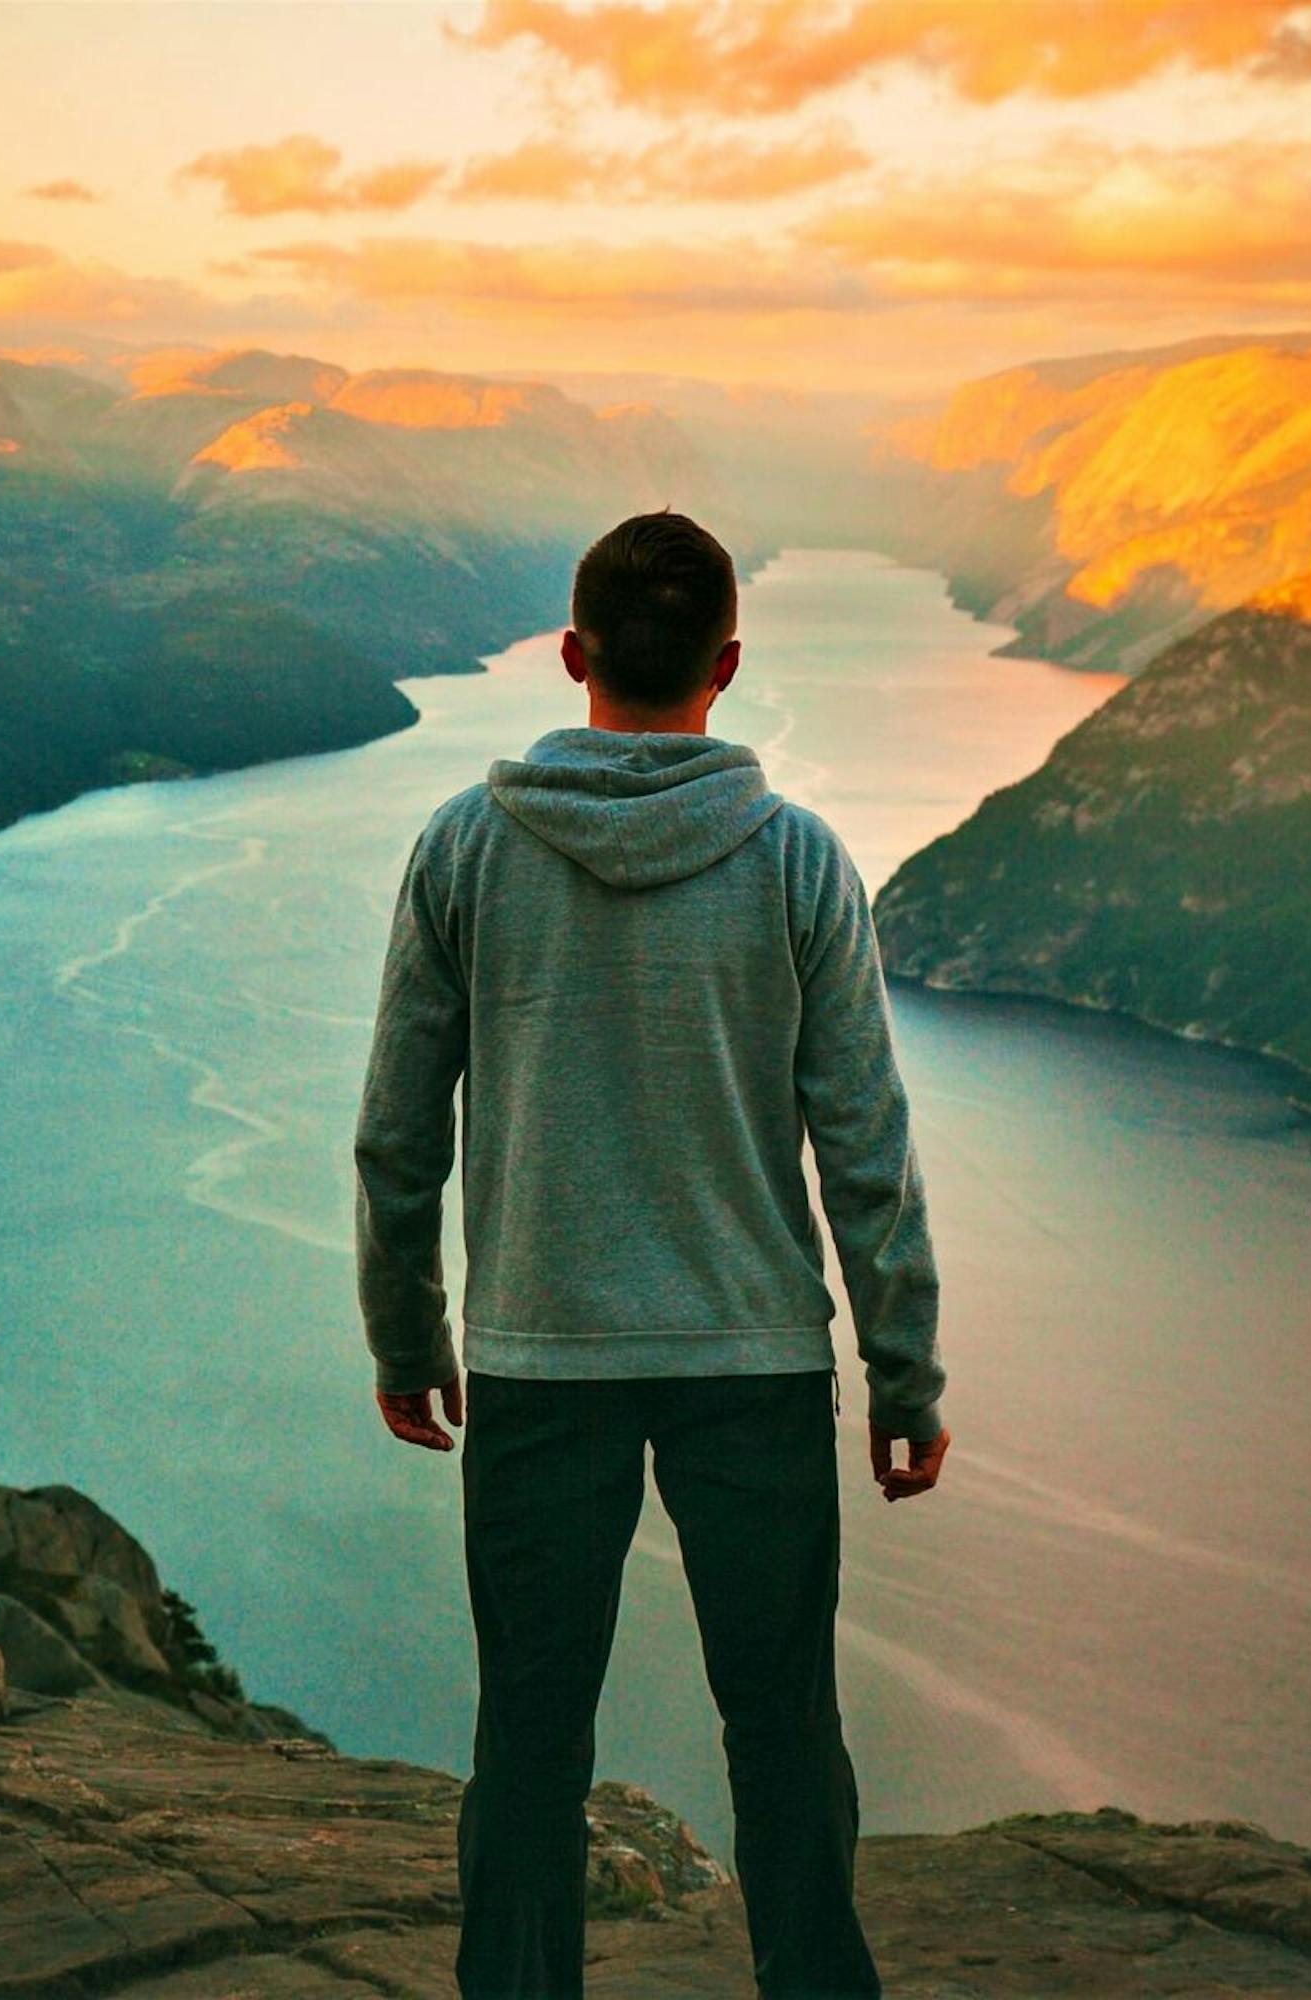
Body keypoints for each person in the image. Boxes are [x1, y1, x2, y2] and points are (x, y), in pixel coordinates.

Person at [353, 508, 950, 2000]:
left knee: (532, 1741)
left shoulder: (465, 851)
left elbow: (397, 1136)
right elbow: (866, 1154)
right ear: (727, 665)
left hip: (538, 1360)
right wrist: (905, 1374)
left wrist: (406, 1339)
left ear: (574, 657)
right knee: (785, 1728)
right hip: (750, 1364)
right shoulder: (801, 866)